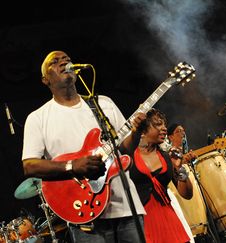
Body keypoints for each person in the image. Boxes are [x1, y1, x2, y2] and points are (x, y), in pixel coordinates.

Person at [22, 50, 146, 243]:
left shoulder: (103, 104)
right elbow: (29, 165)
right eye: (55, 62)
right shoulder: (38, 118)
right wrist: (72, 166)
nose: (64, 62)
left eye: (67, 59)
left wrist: (136, 132)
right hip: (84, 214)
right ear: (45, 79)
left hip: (127, 208)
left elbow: (124, 151)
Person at [129, 109, 194, 243]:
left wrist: (179, 169)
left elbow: (187, 194)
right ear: (143, 129)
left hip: (172, 225)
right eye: (158, 124)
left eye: (164, 124)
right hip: (145, 228)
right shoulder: (129, 156)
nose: (164, 128)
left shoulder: (166, 156)